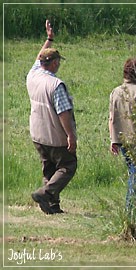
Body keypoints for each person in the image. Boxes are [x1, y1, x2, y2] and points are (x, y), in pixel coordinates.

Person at [26, 20, 77, 214]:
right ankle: (45, 194)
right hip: (55, 135)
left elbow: (38, 57)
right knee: (68, 165)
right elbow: (63, 113)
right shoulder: (56, 85)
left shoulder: (33, 74)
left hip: (37, 134)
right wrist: (70, 136)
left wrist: (49, 39)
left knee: (49, 168)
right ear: (54, 63)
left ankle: (51, 205)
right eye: (58, 62)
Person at [109, 58, 136, 210]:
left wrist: (113, 140)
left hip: (122, 140)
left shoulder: (116, 92)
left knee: (133, 171)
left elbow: (112, 118)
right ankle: (131, 208)